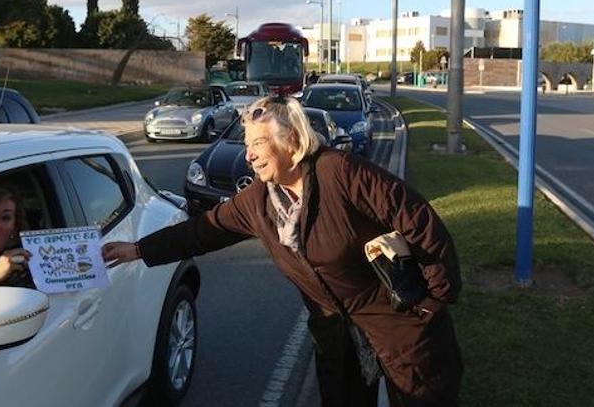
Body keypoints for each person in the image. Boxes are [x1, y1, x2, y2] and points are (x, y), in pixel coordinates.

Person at [102, 96, 463, 406]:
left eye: (258, 143)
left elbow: (418, 220)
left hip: (401, 323)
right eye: (247, 145)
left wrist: (435, 297)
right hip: (336, 336)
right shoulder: (258, 201)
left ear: (290, 140)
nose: (250, 156)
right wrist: (137, 249)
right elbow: (203, 231)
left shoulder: (339, 172)